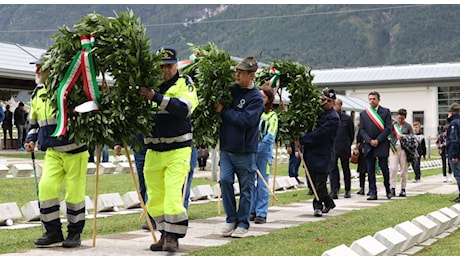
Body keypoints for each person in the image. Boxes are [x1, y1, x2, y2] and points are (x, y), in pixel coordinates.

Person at [24, 53, 89, 248]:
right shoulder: (37, 93)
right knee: (46, 188)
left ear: (52, 69)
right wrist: (30, 139)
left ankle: (74, 234)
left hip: (75, 152)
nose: (37, 70)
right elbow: (34, 122)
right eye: (36, 67)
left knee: (74, 195)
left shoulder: (68, 90)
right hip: (52, 152)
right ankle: (52, 231)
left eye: (40, 67)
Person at [139, 46, 198, 252]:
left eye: (169, 66)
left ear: (176, 65)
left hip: (178, 149)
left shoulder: (185, 83)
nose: (165, 70)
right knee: (155, 197)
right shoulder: (150, 85)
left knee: (173, 195)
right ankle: (164, 233)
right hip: (154, 150)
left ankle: (173, 237)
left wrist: (156, 97)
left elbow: (183, 109)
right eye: (162, 66)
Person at [215, 56, 263, 238]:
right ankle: (231, 219)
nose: (237, 75)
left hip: (245, 151)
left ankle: (243, 223)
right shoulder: (231, 91)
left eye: (241, 72)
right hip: (227, 148)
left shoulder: (256, 98)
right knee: (225, 181)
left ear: (252, 75)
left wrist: (224, 111)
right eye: (237, 71)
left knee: (246, 187)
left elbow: (246, 120)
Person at [296, 89, 339, 217]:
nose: (325, 102)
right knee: (311, 183)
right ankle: (329, 202)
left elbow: (320, 134)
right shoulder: (314, 113)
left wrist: (302, 140)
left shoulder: (333, 118)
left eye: (328, 101)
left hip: (323, 155)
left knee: (319, 183)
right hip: (310, 153)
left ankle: (318, 206)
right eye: (323, 100)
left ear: (333, 102)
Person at [250, 85, 278, 224]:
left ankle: (261, 212)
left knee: (262, 184)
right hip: (249, 153)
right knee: (249, 183)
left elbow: (269, 137)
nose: (261, 99)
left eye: (264, 97)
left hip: (263, 155)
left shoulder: (271, 116)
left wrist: (257, 149)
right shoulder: (253, 112)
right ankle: (251, 210)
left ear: (269, 99)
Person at [359, 91, 393, 200]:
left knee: (384, 169)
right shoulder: (364, 114)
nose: (372, 101)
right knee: (370, 170)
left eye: (374, 99)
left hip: (381, 143)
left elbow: (388, 128)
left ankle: (388, 189)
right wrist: (369, 141)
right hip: (369, 145)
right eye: (370, 99)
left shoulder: (386, 112)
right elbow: (362, 130)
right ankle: (373, 192)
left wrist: (378, 140)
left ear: (379, 100)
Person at [329, 98, 354, 199]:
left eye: (336, 105)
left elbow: (351, 134)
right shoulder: (330, 117)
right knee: (333, 169)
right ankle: (334, 190)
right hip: (332, 147)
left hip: (344, 148)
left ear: (340, 106)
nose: (334, 107)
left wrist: (348, 144)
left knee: (345, 169)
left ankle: (347, 190)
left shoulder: (346, 118)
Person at [388, 108, 413, 197]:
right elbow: (389, 136)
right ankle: (392, 188)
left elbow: (412, 137)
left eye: (402, 118)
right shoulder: (393, 125)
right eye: (399, 118)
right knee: (393, 168)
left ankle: (403, 188)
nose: (400, 120)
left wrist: (403, 136)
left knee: (403, 170)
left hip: (404, 149)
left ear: (405, 118)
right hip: (394, 148)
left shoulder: (408, 126)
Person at [446, 103, 460, 202]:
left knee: (458, 174)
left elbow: (454, 139)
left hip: (455, 153)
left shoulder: (454, 123)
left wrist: (454, 155)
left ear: (451, 112)